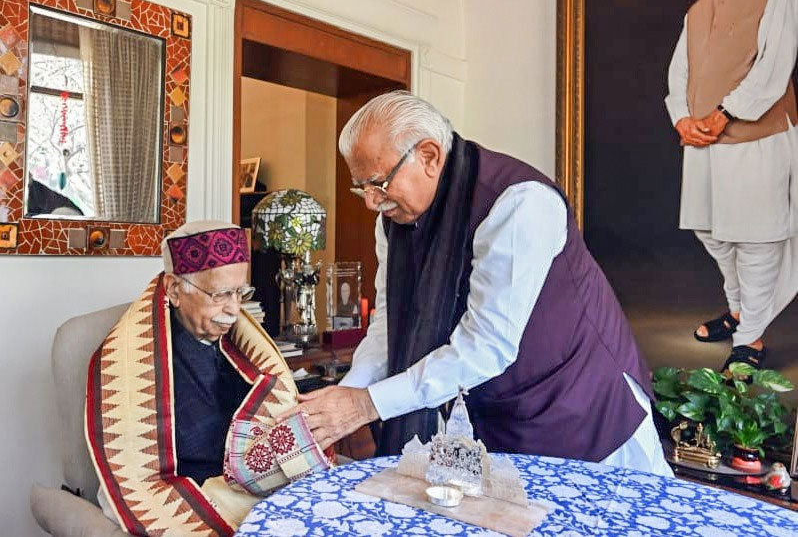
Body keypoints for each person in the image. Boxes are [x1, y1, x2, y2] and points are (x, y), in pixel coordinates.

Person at [277, 91, 672, 476]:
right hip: (497, 417)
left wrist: (367, 405)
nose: (370, 202)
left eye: (378, 183)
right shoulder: (393, 221)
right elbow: (389, 326)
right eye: (360, 187)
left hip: (585, 408)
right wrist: (345, 396)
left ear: (429, 156)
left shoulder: (518, 203)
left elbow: (486, 346)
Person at [85, 221, 331, 536]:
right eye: (220, 294)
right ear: (175, 289)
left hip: (256, 485)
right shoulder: (135, 364)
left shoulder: (240, 345)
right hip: (197, 492)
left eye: (241, 292)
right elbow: (137, 472)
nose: (235, 309)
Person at [665, 0, 798, 371]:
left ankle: (751, 341)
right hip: (703, 141)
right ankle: (741, 310)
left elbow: (775, 64)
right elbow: (678, 72)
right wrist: (682, 119)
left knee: (757, 239)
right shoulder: (697, 9)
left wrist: (725, 113)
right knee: (713, 232)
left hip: (757, 136)